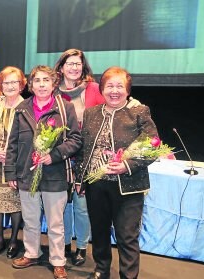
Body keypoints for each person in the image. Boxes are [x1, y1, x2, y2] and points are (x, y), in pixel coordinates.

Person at [76, 66, 159, 279]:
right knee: (100, 231)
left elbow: (153, 146)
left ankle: (128, 276)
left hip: (129, 186)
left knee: (126, 236)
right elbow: (85, 149)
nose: (114, 90)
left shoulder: (139, 112)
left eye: (119, 86)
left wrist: (127, 165)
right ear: (102, 89)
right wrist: (80, 179)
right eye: (109, 86)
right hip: (97, 185)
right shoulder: (91, 113)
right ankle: (101, 270)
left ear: (128, 90)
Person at [5, 65, 82, 279]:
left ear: (53, 83)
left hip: (54, 174)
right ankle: (32, 253)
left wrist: (54, 155)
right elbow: (12, 144)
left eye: (45, 80)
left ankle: (58, 261)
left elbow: (76, 140)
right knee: (30, 219)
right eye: (37, 80)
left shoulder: (65, 108)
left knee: (56, 222)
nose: (41, 84)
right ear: (30, 85)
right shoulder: (22, 109)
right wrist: (11, 173)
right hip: (26, 174)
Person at [53, 48, 102, 265]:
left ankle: (81, 246)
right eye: (70, 63)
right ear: (61, 67)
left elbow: (112, 106)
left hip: (87, 156)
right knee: (61, 204)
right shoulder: (53, 91)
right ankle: (63, 244)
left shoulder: (93, 89)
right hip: (60, 156)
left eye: (78, 63)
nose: (74, 67)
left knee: (82, 206)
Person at [0, 66, 25, 259]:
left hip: (17, 167)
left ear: (21, 85)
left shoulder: (27, 108)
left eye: (14, 82)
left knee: (15, 205)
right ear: (0, 85)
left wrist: (10, 156)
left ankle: (14, 240)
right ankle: (0, 240)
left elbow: (29, 141)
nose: (9, 86)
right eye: (6, 83)